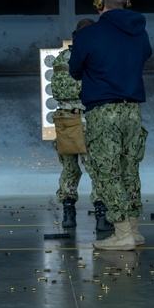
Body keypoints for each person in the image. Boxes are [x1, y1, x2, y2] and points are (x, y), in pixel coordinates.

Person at [70, 0, 152, 250]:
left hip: (103, 112)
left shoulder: (88, 35)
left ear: (99, 1)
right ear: (127, 1)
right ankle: (134, 228)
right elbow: (144, 56)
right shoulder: (140, 32)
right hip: (132, 111)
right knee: (130, 170)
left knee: (108, 172)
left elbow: (74, 70)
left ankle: (122, 232)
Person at [51, 18, 113, 232]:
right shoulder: (93, 56)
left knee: (69, 169)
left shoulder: (61, 57)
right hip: (88, 119)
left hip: (65, 119)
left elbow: (57, 91)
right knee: (97, 169)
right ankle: (101, 217)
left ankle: (69, 216)